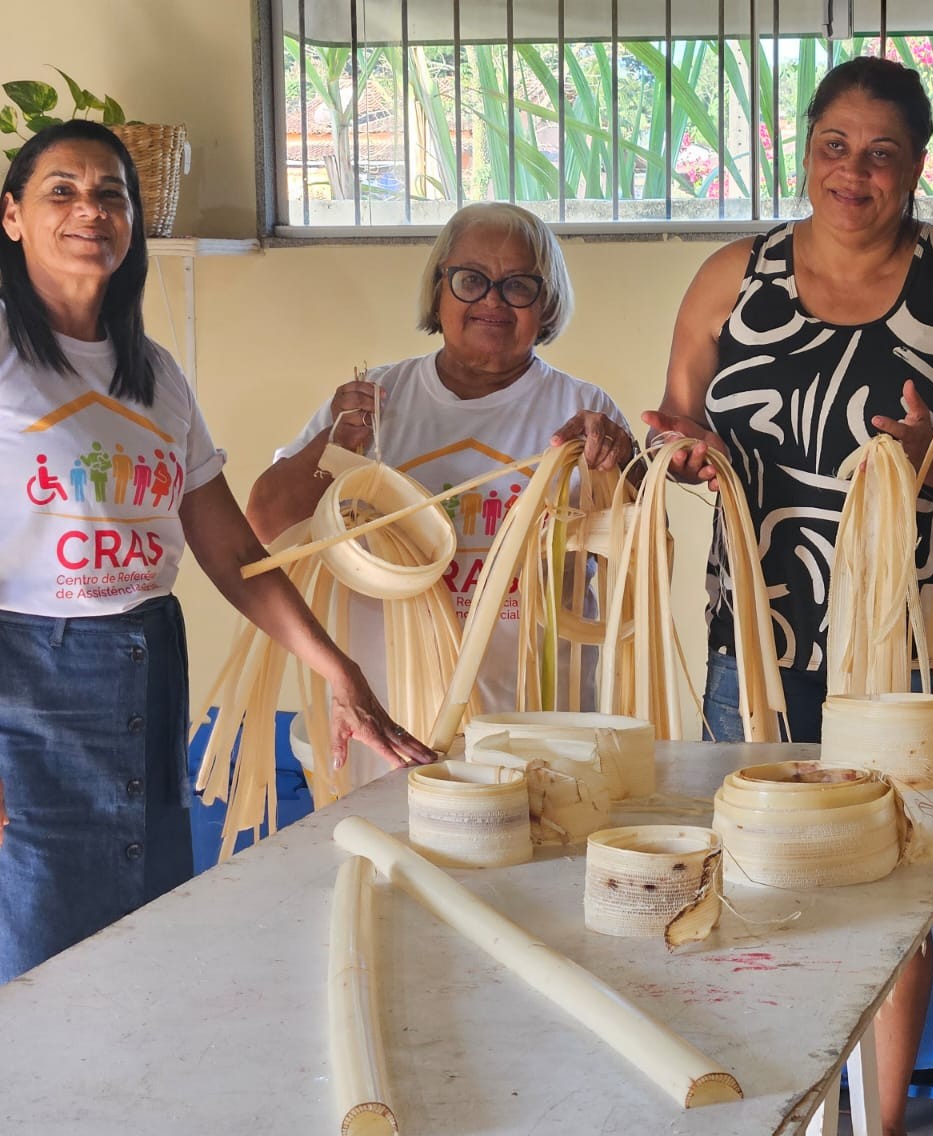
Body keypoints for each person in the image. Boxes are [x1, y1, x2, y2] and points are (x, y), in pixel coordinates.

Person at [644, 55, 933, 1136]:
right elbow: (682, 437)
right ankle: (765, 1116)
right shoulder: (734, 275)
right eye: (833, 146)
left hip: (904, 645)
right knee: (754, 868)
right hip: (756, 635)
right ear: (804, 150)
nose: (852, 173)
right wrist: (674, 453)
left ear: (920, 165)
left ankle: (885, 1127)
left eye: (881, 152)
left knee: (891, 885)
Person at [0, 121, 431, 984]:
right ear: (11, 216)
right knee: (39, 953)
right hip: (28, 683)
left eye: (111, 194)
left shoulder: (152, 371)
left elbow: (229, 546)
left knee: (140, 933)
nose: (91, 210)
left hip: (148, 662)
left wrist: (340, 672)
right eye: (62, 191)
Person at [247, 203, 634, 780]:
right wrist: (331, 449)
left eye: (519, 285)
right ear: (438, 291)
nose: (493, 301)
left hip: (541, 733)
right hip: (391, 728)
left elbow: (643, 558)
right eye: (471, 280)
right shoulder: (375, 399)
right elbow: (265, 526)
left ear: (546, 303)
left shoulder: (583, 412)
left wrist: (627, 471)